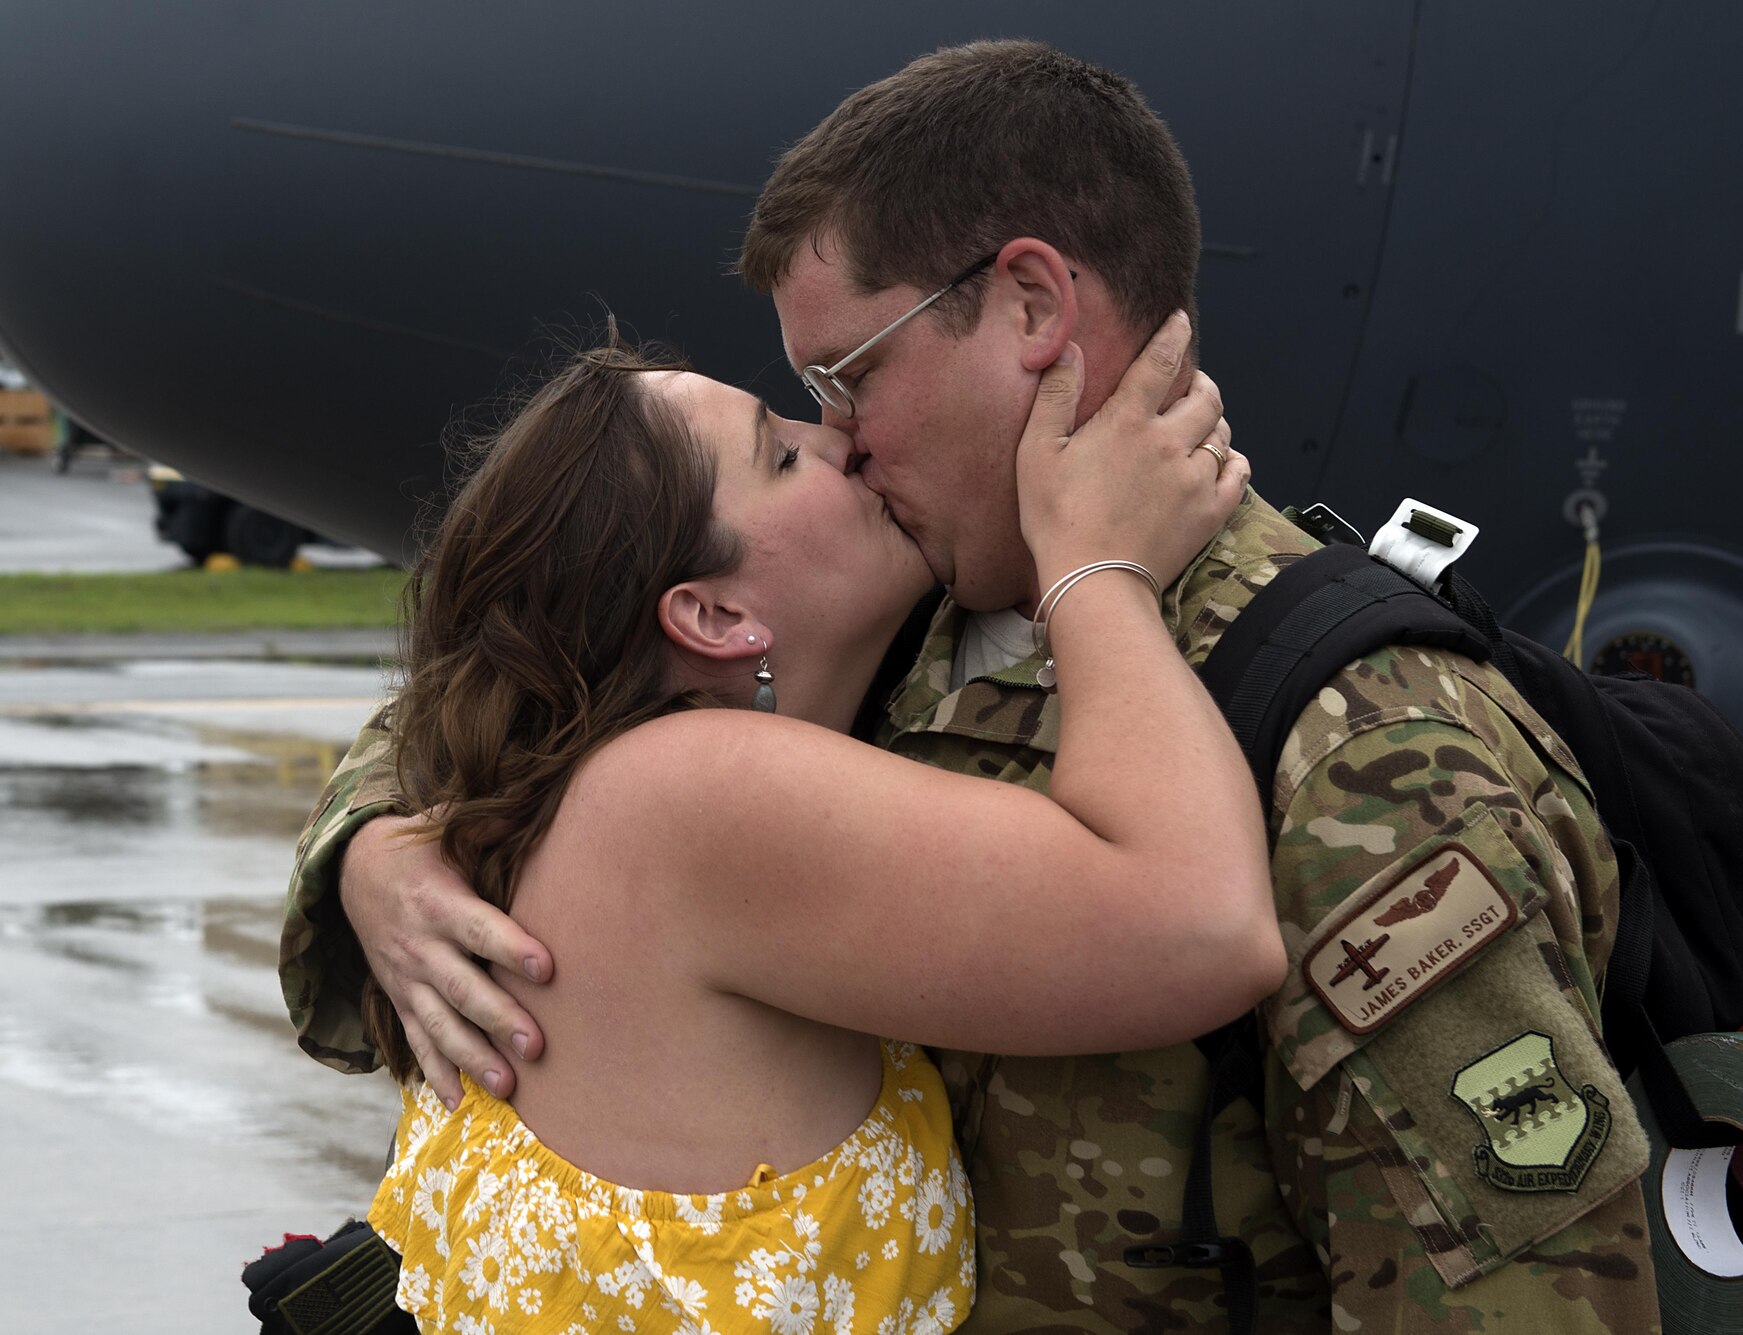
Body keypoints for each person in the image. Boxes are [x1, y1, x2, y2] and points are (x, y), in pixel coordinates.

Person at [285, 40, 1665, 1334]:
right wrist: (376, 845)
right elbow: (543, 674)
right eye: (797, 411)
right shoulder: (891, 634)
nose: (836, 437)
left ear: (1028, 306)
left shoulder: (1351, 742)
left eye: (847, 375)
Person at [351, 318, 1279, 1333]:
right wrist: (1099, 569)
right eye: (782, 454)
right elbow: (1200, 928)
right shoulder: (696, 794)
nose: (840, 437)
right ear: (709, 618)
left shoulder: (583, 797)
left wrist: (360, 846)